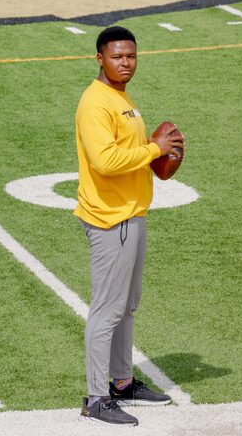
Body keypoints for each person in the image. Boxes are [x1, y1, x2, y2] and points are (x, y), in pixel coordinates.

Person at [74, 26, 184, 425]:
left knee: (127, 307)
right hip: (110, 219)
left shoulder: (121, 98)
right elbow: (104, 162)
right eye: (118, 57)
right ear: (100, 58)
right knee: (107, 309)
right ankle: (96, 397)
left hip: (132, 214)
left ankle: (121, 382)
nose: (126, 63)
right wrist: (156, 149)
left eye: (132, 57)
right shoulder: (95, 103)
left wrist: (154, 156)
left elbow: (128, 153)